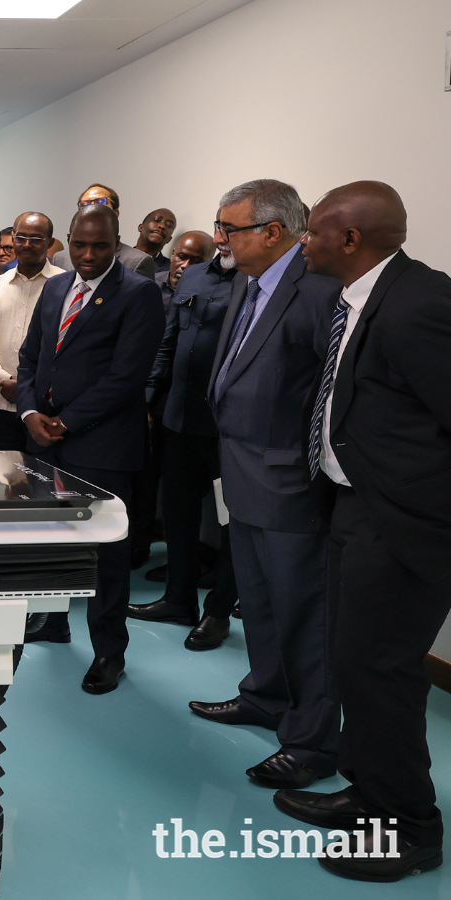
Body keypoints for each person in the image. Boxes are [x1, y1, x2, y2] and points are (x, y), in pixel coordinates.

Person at [273, 182, 451, 881]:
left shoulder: (421, 303)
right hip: (353, 509)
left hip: (402, 525)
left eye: (313, 232)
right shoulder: (357, 299)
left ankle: (410, 829)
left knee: (382, 675)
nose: (304, 241)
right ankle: (368, 792)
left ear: (350, 240)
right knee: (353, 664)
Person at [187, 179, 342, 790]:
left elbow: (328, 397)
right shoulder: (249, 285)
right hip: (241, 471)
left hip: (288, 482)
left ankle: (311, 741)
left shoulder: (317, 293)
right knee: (260, 601)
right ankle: (266, 695)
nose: (219, 238)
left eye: (229, 228)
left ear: (272, 232)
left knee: (304, 612)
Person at [16, 204, 164, 694]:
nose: (88, 254)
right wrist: (29, 414)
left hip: (101, 447)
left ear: (117, 242)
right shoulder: (56, 285)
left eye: (100, 246)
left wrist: (67, 422)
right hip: (45, 441)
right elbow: (31, 355)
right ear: (68, 241)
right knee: (54, 544)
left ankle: (108, 653)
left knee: (106, 556)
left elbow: (128, 375)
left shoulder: (139, 293)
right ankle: (54, 621)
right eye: (80, 244)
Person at [129, 232, 242, 651]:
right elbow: (169, 341)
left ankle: (217, 612)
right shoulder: (193, 277)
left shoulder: (255, 281)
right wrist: (149, 398)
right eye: (219, 226)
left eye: (230, 230)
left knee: (233, 524)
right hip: (177, 417)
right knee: (177, 515)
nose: (221, 237)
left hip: (227, 428)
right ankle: (178, 600)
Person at [0, 212, 63, 451]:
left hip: (46, 404)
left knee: (42, 480)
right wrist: (4, 379)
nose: (27, 245)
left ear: (50, 242)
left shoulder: (67, 286)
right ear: (12, 238)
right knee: (1, 480)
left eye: (36, 239)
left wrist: (24, 387)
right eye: (21, 238)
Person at [52, 184, 158, 280]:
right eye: (85, 203)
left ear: (115, 213)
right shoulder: (61, 258)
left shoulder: (137, 261)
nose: (92, 207)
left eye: (100, 201)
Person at [158, 231, 214, 308]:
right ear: (173, 254)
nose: (185, 265)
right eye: (182, 257)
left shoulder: (210, 298)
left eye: (196, 261)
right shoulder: (151, 283)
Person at [135, 208, 177, 276]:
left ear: (169, 239)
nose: (162, 226)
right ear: (141, 227)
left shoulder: (170, 270)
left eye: (169, 225)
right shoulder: (118, 256)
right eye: (157, 220)